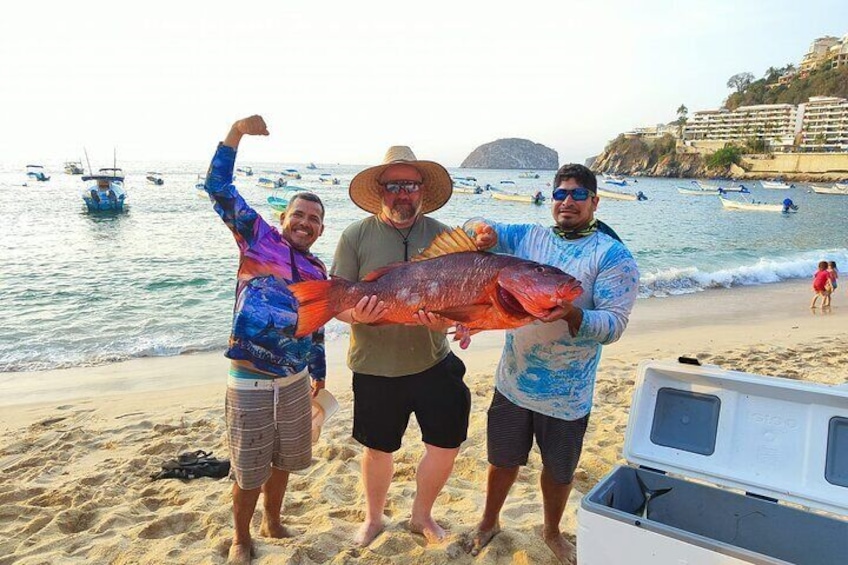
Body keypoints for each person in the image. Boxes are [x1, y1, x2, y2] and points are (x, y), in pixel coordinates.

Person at [466, 164, 639, 564]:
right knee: (501, 460)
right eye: (561, 193)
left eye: (579, 195)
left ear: (595, 201)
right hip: (513, 381)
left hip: (568, 394)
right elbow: (476, 222)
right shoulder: (530, 237)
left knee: (559, 472)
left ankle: (551, 530)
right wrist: (483, 231)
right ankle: (489, 521)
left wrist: (572, 315)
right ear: (552, 199)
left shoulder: (612, 255)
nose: (568, 202)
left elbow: (615, 325)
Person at [203, 115, 328, 565]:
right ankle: (241, 537)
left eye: (314, 219)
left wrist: (318, 375)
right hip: (250, 379)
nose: (305, 222)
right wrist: (235, 133)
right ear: (283, 218)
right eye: (298, 214)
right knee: (248, 465)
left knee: (284, 459)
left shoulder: (318, 272)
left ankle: (272, 521)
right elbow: (217, 187)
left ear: (320, 230)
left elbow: (316, 327)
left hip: (294, 380)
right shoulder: (256, 239)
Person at [330, 146, 470, 547]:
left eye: (409, 184)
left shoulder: (446, 236)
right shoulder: (355, 236)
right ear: (382, 191)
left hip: (433, 359)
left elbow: (464, 299)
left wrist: (450, 321)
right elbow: (338, 304)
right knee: (378, 448)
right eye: (394, 186)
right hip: (375, 365)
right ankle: (374, 519)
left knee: (446, 444)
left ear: (422, 189)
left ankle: (421, 515)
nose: (402, 193)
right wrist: (361, 315)